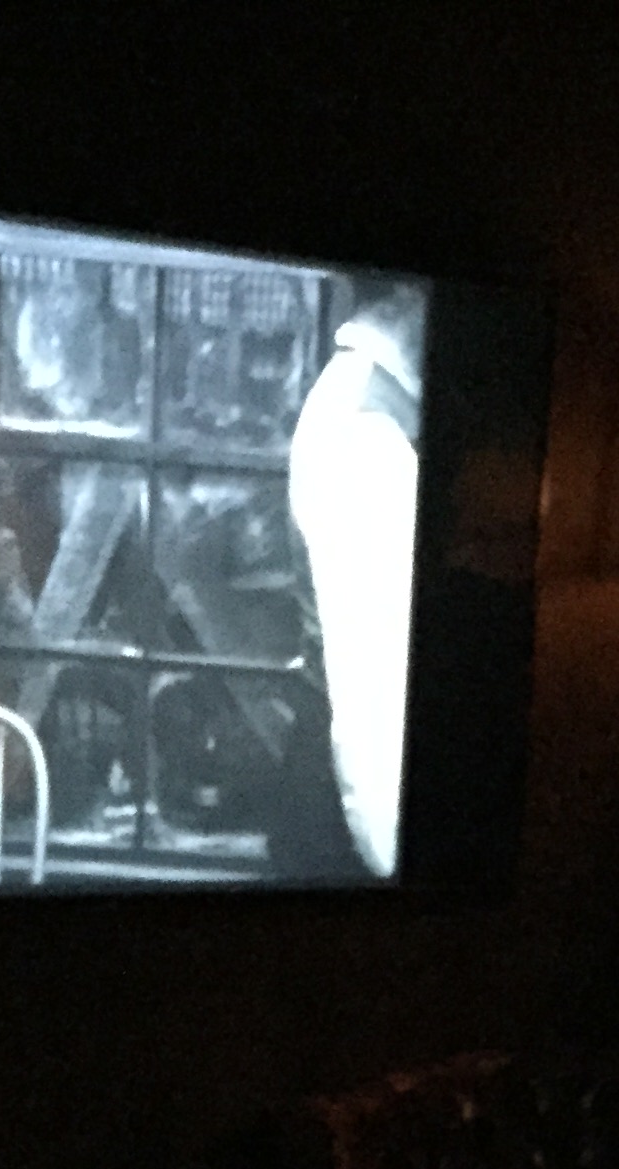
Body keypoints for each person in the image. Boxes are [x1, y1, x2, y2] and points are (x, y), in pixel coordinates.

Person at [285, 282, 426, 880]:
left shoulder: (366, 408)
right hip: (359, 832)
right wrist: (398, 869)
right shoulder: (367, 435)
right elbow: (378, 693)